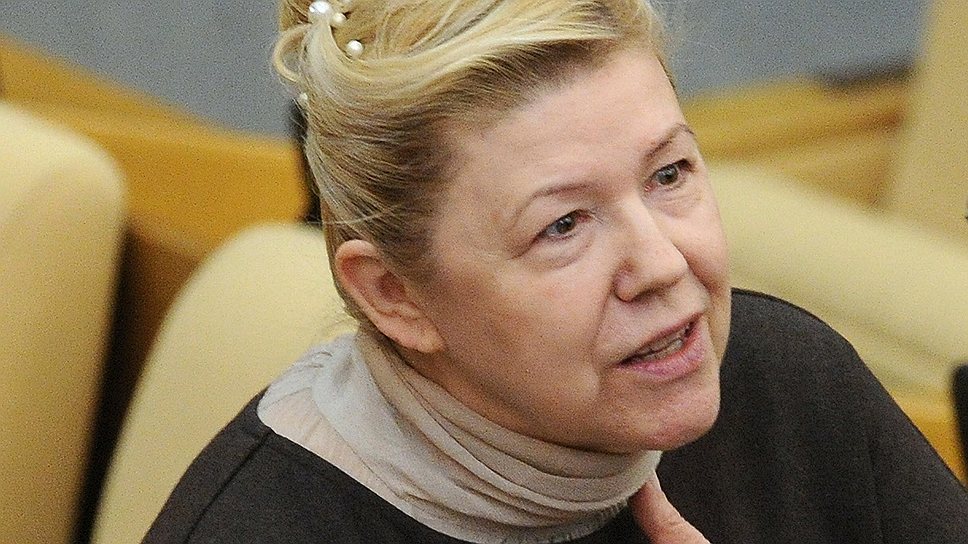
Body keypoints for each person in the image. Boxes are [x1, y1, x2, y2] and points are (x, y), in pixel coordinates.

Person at [143, 1, 968, 542]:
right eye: (564, 226)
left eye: (669, 174)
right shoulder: (256, 528)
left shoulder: (786, 383)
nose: (662, 263)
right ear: (395, 295)